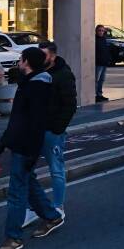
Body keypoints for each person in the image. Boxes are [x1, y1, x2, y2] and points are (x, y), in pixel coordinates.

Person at [0, 48, 65, 249]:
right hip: (20, 143)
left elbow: (36, 123)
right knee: (29, 183)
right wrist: (3, 143)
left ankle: (13, 237)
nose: (18, 62)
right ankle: (52, 216)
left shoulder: (37, 87)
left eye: (20, 59)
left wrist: (32, 153)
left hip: (27, 146)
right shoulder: (27, 83)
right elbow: (17, 119)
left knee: (16, 191)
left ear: (26, 62)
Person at [31, 40, 76, 219]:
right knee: (26, 170)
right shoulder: (36, 72)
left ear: (53, 56)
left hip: (52, 131)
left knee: (56, 169)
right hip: (34, 130)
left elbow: (70, 104)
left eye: (44, 55)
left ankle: (58, 206)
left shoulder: (63, 75)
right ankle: (32, 207)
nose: (40, 58)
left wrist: (57, 128)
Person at [94, 24, 112, 102]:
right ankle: (96, 95)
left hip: (104, 63)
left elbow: (106, 50)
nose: (101, 32)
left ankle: (99, 94)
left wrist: (108, 59)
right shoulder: (94, 40)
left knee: (102, 80)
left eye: (102, 31)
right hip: (98, 63)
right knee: (96, 80)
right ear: (96, 31)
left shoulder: (104, 39)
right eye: (99, 30)